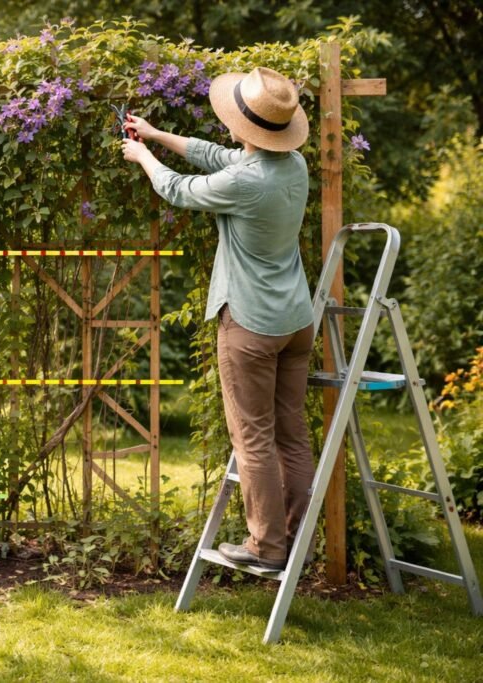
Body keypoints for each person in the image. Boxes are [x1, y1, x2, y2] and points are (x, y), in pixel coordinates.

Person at [121, 66, 315, 570]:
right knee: (291, 433)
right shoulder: (293, 165)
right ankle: (296, 540)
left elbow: (181, 191)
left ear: (244, 125)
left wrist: (142, 156)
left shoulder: (245, 183)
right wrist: (157, 134)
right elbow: (218, 155)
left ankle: (267, 548)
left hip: (251, 325)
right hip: (296, 320)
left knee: (253, 436)